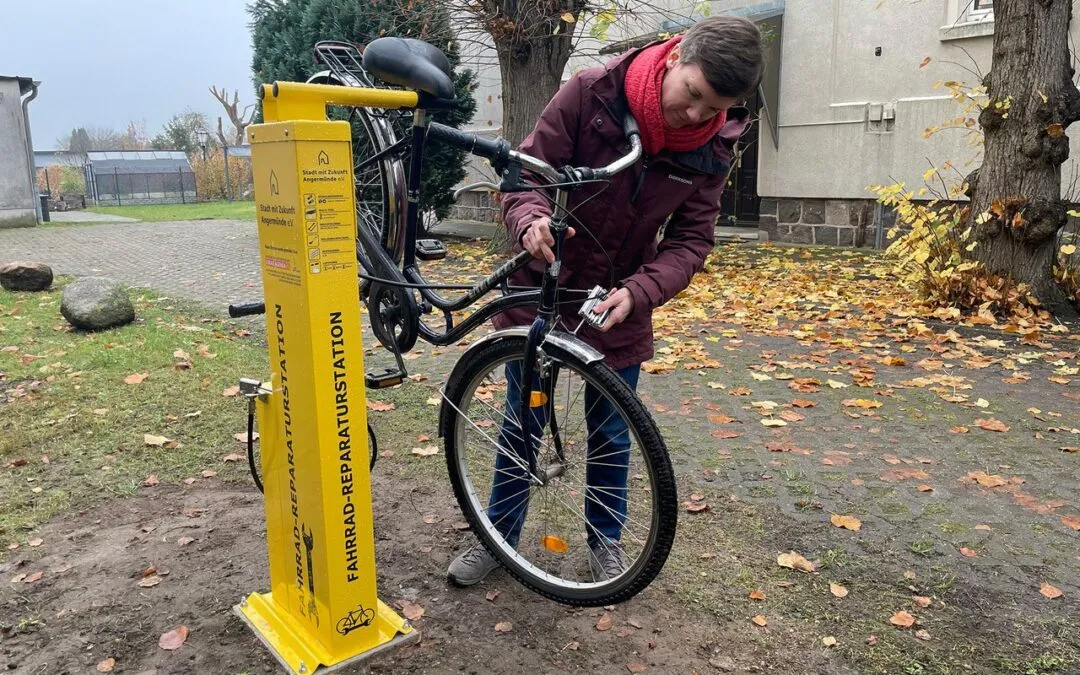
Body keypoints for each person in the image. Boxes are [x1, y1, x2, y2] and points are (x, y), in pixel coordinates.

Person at [447, 15, 766, 586]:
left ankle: (606, 542)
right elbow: (525, 174)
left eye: (713, 107)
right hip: (544, 284)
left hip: (617, 301)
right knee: (523, 420)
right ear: (674, 59)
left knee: (615, 430)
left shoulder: (714, 147)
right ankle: (498, 538)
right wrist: (530, 220)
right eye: (691, 95)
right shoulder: (590, 91)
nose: (695, 116)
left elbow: (691, 241)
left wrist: (638, 293)